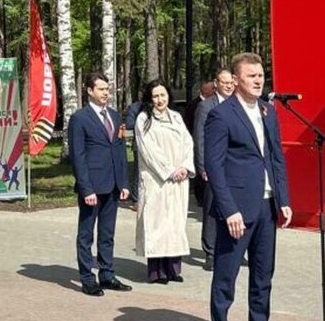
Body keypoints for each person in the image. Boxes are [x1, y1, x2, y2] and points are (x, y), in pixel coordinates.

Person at [204, 52, 293, 321]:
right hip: (237, 212)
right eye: (251, 76)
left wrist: (283, 198)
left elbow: (275, 156)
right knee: (225, 278)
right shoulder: (221, 115)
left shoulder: (268, 111)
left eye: (261, 75)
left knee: (263, 275)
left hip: (267, 206)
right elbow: (214, 167)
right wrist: (229, 210)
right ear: (236, 79)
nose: (258, 80)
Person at [68, 72, 132, 297]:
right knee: (86, 235)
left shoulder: (114, 116)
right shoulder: (80, 118)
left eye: (107, 89)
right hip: (92, 188)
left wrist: (124, 183)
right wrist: (86, 188)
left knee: (107, 233)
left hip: (112, 186)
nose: (106, 93)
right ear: (90, 91)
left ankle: (107, 274)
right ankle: (87, 278)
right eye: (101, 89)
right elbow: (78, 156)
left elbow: (120, 152)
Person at [134, 80, 195, 283]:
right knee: (157, 224)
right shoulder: (144, 119)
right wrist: (169, 171)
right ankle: (157, 272)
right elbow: (148, 151)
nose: (160, 100)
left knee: (175, 224)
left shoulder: (176, 117)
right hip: (156, 180)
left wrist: (184, 167)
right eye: (155, 96)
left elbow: (188, 143)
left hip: (179, 180)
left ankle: (173, 269)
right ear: (149, 99)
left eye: (163, 95)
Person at [194, 68, 236, 270]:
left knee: (234, 207)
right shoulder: (206, 106)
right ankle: (210, 252)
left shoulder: (238, 103)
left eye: (231, 83)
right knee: (212, 209)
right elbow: (199, 137)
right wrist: (203, 166)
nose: (228, 86)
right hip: (213, 166)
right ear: (216, 84)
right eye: (224, 82)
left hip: (234, 166)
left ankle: (233, 249)